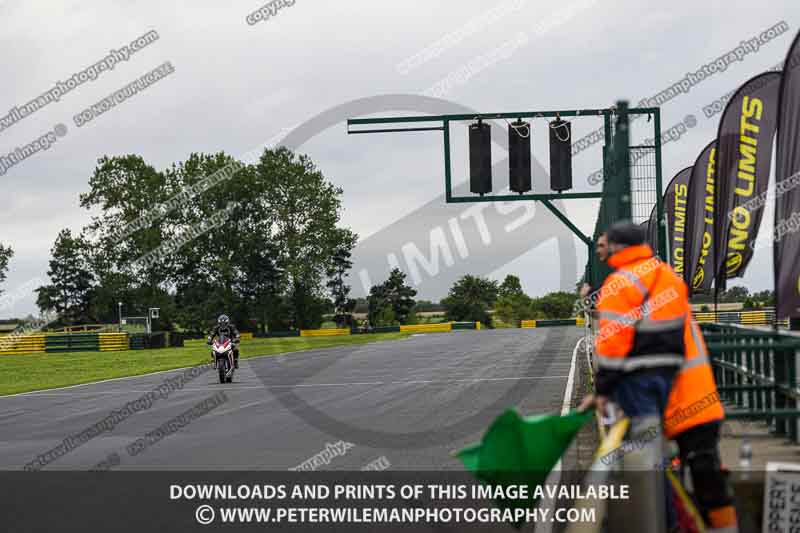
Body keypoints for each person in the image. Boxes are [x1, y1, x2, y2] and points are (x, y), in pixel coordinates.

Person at [579, 221, 736, 532]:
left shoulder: (622, 283)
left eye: (603, 242)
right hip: (695, 394)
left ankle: (671, 525)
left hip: (663, 396)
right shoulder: (667, 278)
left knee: (650, 468)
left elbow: (615, 341)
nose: (599, 248)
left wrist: (603, 390)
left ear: (618, 247)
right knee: (705, 473)